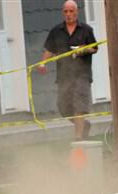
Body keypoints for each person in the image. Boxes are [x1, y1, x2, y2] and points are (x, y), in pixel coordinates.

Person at [38, 0, 98, 140]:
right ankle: (84, 125)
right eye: (66, 11)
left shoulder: (86, 30)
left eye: (71, 11)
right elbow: (49, 50)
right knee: (63, 108)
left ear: (77, 12)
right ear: (63, 13)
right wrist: (42, 64)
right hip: (64, 76)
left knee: (79, 106)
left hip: (82, 75)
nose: (68, 14)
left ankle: (78, 139)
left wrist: (84, 50)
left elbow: (94, 48)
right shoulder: (56, 31)